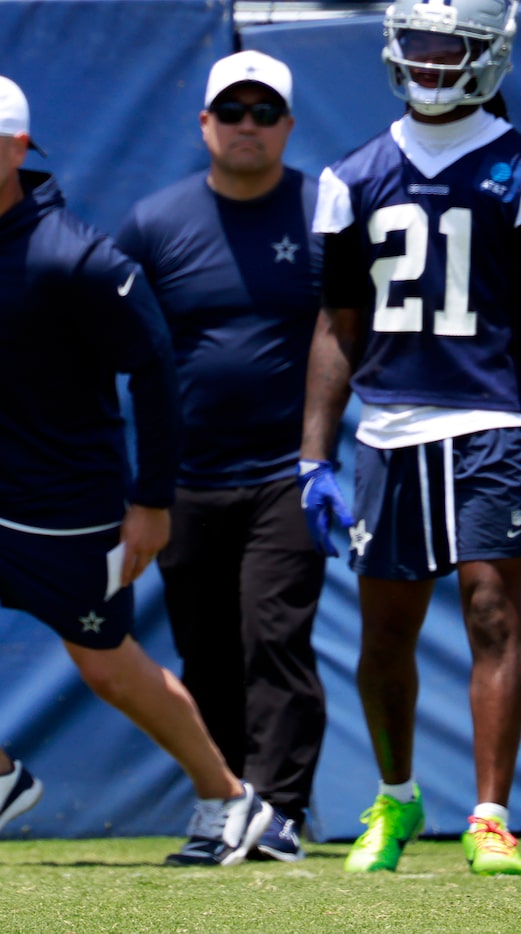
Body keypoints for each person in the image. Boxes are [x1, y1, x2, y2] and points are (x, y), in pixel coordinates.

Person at [0, 73, 299, 866]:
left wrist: (149, 502)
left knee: (107, 668)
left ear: (16, 150)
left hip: (65, 505)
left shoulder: (78, 258)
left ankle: (228, 799)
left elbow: (154, 371)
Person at [301, 0, 521, 877]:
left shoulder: (512, 164)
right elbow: (335, 324)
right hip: (389, 428)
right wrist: (313, 453)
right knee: (383, 632)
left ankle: (490, 815)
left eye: (450, 48)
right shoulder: (351, 173)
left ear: (488, 56)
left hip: (494, 419)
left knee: (492, 612)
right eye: (418, 46)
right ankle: (395, 800)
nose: (431, 64)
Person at [113, 51, 325, 840]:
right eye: (230, 112)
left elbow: (354, 331)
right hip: (184, 478)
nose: (246, 126)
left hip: (289, 474)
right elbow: (112, 344)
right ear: (203, 124)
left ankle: (281, 814)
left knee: (275, 639)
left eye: (263, 112)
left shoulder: (322, 213)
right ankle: (225, 800)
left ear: (287, 127)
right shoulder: (153, 223)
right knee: (204, 651)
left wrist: (323, 455)